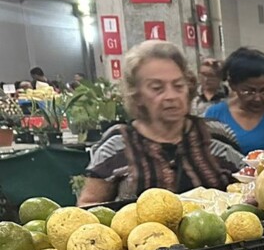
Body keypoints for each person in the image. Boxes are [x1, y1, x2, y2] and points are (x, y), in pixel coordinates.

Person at [78, 41, 242, 205]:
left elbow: (246, 192)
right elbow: (89, 208)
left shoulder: (216, 135)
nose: (171, 96)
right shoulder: (116, 144)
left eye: (178, 86)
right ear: (137, 95)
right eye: (157, 88)